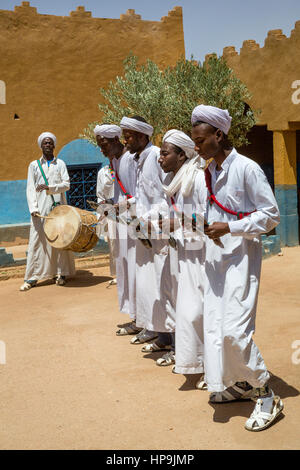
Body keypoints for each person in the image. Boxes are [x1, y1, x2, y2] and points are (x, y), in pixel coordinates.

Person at [191, 104, 283, 431]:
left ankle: (266, 392)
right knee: (216, 327)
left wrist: (229, 229)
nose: (197, 147)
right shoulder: (209, 172)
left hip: (242, 258)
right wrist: (207, 227)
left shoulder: (247, 168)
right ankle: (241, 384)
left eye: (201, 141)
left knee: (235, 329)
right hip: (216, 259)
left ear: (219, 134)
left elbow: (271, 215)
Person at [120, 116, 176, 362]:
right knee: (149, 286)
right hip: (145, 231)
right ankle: (162, 336)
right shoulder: (139, 159)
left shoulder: (154, 157)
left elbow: (164, 199)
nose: (126, 140)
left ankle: (175, 342)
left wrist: (148, 219)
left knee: (164, 287)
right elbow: (145, 196)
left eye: (129, 136)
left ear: (143, 136)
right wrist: (129, 207)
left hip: (160, 232)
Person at [157, 129, 207, 378]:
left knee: (198, 312)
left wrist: (179, 224)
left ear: (181, 155)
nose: (160, 158)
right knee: (187, 312)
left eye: (165, 153)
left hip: (201, 257)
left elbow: (210, 217)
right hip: (182, 255)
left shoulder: (197, 179)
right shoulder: (172, 184)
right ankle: (196, 364)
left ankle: (211, 367)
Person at [20, 132, 75, 291]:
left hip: (58, 208)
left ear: (54, 145)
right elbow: (30, 188)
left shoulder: (61, 164)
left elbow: (67, 185)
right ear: (41, 146)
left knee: (59, 239)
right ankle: (32, 277)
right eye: (45, 143)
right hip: (40, 210)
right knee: (37, 241)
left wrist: (50, 188)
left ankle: (61, 273)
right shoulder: (34, 165)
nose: (48, 145)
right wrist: (33, 208)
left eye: (50, 143)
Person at [94, 124, 123, 284]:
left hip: (127, 212)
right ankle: (119, 274)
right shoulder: (103, 172)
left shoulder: (126, 164)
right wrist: (102, 218)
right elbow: (100, 196)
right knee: (114, 243)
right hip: (110, 214)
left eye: (103, 145)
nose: (101, 150)